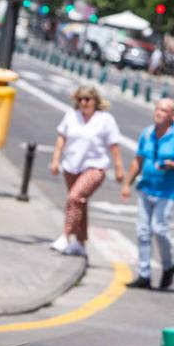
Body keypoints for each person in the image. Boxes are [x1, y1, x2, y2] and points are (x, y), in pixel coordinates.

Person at [121, 98, 174, 290]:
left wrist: (173, 164)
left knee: (159, 229)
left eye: (164, 110)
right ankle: (144, 274)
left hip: (168, 190)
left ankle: (168, 266)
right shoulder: (147, 133)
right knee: (142, 231)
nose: (159, 113)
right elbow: (138, 160)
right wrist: (127, 183)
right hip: (146, 187)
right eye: (157, 109)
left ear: (173, 115)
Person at [49, 86, 124, 258]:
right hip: (71, 166)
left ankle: (65, 235)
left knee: (74, 198)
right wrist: (55, 160)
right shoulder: (71, 116)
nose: (84, 102)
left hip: (95, 167)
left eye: (87, 99)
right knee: (79, 203)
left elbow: (114, 145)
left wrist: (119, 168)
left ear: (95, 101)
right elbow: (61, 138)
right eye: (80, 99)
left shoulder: (105, 119)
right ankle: (80, 243)